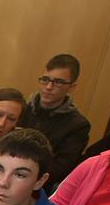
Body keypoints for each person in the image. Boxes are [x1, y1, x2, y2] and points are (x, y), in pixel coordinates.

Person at [19, 54, 91, 184]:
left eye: (58, 82)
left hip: (38, 184)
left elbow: (59, 169)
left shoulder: (78, 125)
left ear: (72, 87)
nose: (48, 87)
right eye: (45, 79)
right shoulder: (22, 110)